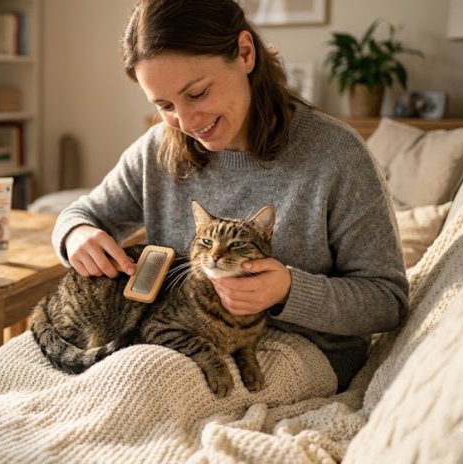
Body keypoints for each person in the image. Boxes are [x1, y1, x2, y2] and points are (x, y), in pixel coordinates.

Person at [52, 0, 409, 391]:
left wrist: (288, 290)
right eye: (165, 105)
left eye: (198, 93)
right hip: (178, 337)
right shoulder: (157, 150)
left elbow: (387, 301)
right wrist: (75, 234)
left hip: (304, 349)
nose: (186, 122)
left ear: (244, 53)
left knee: (135, 388)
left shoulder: (337, 154)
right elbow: (81, 215)